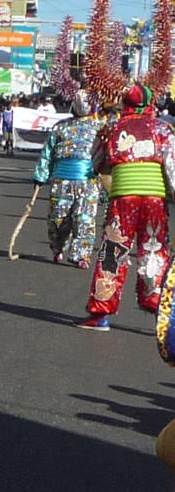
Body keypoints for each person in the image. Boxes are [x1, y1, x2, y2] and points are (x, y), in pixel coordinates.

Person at [79, 84, 175, 331]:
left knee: (113, 252)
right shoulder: (164, 129)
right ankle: (159, 313)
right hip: (154, 199)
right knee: (154, 251)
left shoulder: (111, 128)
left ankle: (100, 314)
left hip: (123, 198)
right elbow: (172, 168)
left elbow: (96, 161)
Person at [32, 89, 102, 269]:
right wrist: (41, 175)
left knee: (84, 219)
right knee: (58, 219)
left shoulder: (100, 128)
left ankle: (81, 255)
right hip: (61, 180)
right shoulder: (61, 127)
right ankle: (58, 248)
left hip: (88, 181)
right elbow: (47, 153)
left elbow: (106, 157)